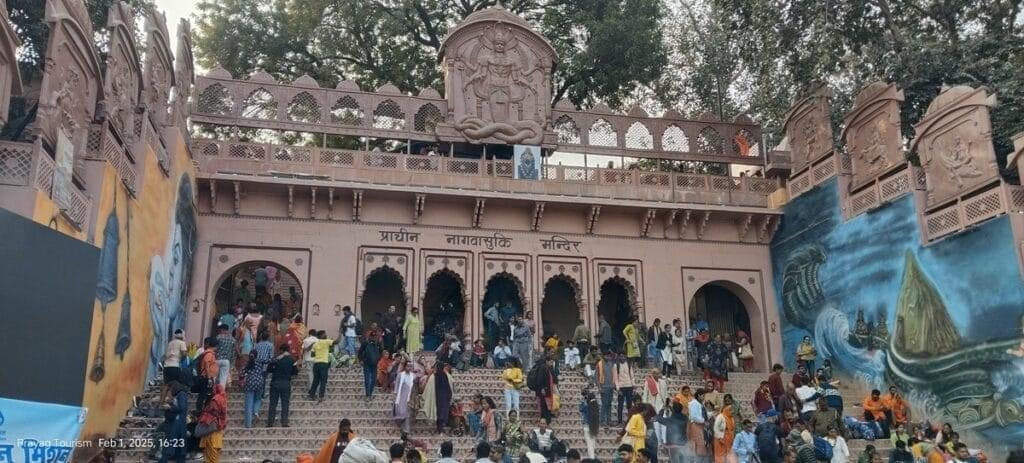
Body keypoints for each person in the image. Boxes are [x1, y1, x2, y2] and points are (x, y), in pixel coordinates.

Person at [243, 331, 273, 428]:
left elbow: (242, 373)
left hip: (249, 383)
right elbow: (270, 359)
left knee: (248, 403)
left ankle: (248, 425)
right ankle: (256, 411)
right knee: (259, 398)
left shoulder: (248, 362)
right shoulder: (261, 360)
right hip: (260, 381)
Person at [267, 342, 297, 427]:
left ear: (281, 350)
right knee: (285, 404)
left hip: (275, 383)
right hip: (286, 383)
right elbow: (295, 372)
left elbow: (269, 369)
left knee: (273, 403)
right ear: (288, 350)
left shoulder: (276, 358)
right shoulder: (292, 360)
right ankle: (284, 423)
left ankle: (270, 423)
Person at [158, 379, 189, 463]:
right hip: (178, 423)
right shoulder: (179, 395)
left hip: (178, 423)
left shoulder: (181, 394)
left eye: (170, 389)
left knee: (171, 445)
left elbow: (181, 407)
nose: (170, 391)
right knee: (179, 446)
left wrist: (170, 407)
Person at [198, 384, 228, 463]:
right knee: (216, 450)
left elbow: (213, 409)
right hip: (219, 426)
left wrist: (206, 410)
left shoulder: (216, 398)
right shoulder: (223, 398)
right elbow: (224, 413)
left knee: (210, 448)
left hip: (211, 426)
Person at [424, 362, 455, 434]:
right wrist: (450, 396)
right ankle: (440, 429)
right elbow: (450, 386)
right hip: (444, 398)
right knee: (442, 413)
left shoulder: (434, 376)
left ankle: (439, 428)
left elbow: (428, 388)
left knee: (439, 413)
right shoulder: (446, 375)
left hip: (437, 398)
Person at [308, 331, 338, 402]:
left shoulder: (315, 344)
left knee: (315, 380)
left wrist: (319, 353)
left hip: (316, 364)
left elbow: (312, 355)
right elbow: (337, 342)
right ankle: (321, 397)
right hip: (324, 364)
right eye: (325, 334)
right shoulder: (326, 341)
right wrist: (340, 333)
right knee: (323, 381)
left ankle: (311, 396)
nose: (326, 335)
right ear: (321, 335)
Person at [161, 329, 189, 404]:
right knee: (173, 385)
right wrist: (182, 360)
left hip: (166, 366)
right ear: (183, 335)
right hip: (175, 366)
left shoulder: (170, 343)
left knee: (166, 385)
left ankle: (161, 403)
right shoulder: (182, 343)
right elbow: (184, 354)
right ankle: (169, 402)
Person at [195, 337, 219, 412]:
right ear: (215, 346)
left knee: (207, 395)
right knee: (203, 395)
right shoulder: (209, 354)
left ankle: (203, 411)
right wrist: (209, 379)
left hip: (208, 378)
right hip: (206, 378)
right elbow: (206, 365)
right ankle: (200, 411)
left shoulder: (210, 353)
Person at [688, 389, 711, 462]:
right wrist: (704, 421)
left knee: (701, 447)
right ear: (698, 395)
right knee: (698, 447)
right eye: (703, 396)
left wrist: (711, 414)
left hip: (701, 426)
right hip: (696, 426)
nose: (704, 397)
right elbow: (694, 417)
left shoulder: (700, 403)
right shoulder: (694, 403)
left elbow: (702, 415)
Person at [614, 352, 636, 424]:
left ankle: (630, 420)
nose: (622, 358)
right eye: (621, 356)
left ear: (626, 357)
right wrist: (618, 389)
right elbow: (615, 378)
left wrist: (634, 386)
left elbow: (632, 377)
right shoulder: (616, 365)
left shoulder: (629, 365)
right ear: (619, 357)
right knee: (620, 405)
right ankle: (619, 421)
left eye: (623, 356)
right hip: (621, 388)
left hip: (629, 387)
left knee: (629, 405)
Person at [535, 357, 559, 421]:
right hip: (543, 390)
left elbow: (554, 378)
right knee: (543, 404)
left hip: (548, 390)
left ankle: (547, 417)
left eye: (552, 362)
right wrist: (542, 388)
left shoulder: (549, 368)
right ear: (547, 361)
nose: (552, 363)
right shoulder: (543, 367)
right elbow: (540, 379)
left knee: (547, 404)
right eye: (551, 362)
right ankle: (544, 418)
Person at [580, 389, 600, 459]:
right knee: (593, 442)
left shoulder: (586, 405)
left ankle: (591, 458)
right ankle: (593, 456)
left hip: (586, 426)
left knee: (589, 443)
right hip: (594, 425)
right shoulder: (596, 405)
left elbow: (580, 409)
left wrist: (583, 400)